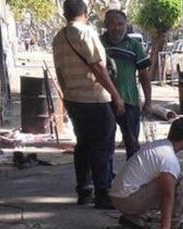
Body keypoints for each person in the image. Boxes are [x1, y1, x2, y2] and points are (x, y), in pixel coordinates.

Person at [53, 0, 126, 209]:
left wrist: (67, 96)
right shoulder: (86, 33)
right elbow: (97, 66)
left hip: (73, 99)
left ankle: (84, 191)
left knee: (83, 144)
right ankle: (103, 193)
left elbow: (59, 72)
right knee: (103, 146)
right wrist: (115, 95)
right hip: (94, 99)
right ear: (85, 13)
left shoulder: (59, 37)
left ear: (65, 14)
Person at [109, 117, 183, 229]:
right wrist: (166, 228)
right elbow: (167, 195)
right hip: (128, 200)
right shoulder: (169, 159)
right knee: (179, 180)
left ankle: (133, 218)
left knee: (170, 179)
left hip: (119, 198)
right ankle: (172, 228)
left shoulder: (159, 145)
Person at [102, 9, 152, 159]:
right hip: (103, 101)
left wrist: (148, 101)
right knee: (104, 144)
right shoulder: (98, 44)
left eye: (121, 24)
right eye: (113, 24)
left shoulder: (134, 45)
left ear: (126, 25)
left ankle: (133, 173)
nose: (117, 28)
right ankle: (106, 173)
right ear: (106, 25)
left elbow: (144, 75)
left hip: (129, 101)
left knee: (132, 144)